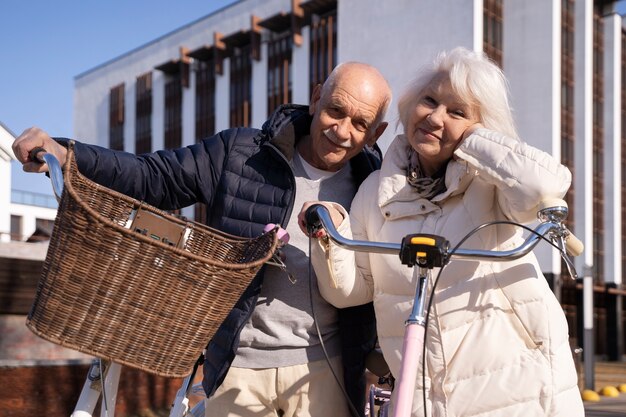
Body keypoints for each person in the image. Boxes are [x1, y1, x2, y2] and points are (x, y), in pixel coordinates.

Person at [12, 61, 392, 417]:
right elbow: (152, 177)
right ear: (315, 98)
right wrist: (68, 154)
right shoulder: (241, 153)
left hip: (327, 369)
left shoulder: (377, 187)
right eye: (335, 111)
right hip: (237, 363)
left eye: (360, 123)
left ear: (377, 132)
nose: (342, 130)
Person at [299, 47, 584, 417]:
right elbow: (350, 292)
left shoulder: (492, 184)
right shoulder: (375, 190)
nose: (434, 118)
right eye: (428, 101)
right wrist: (330, 236)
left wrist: (472, 137)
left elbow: (545, 187)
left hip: (521, 393)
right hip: (424, 398)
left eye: (457, 111)